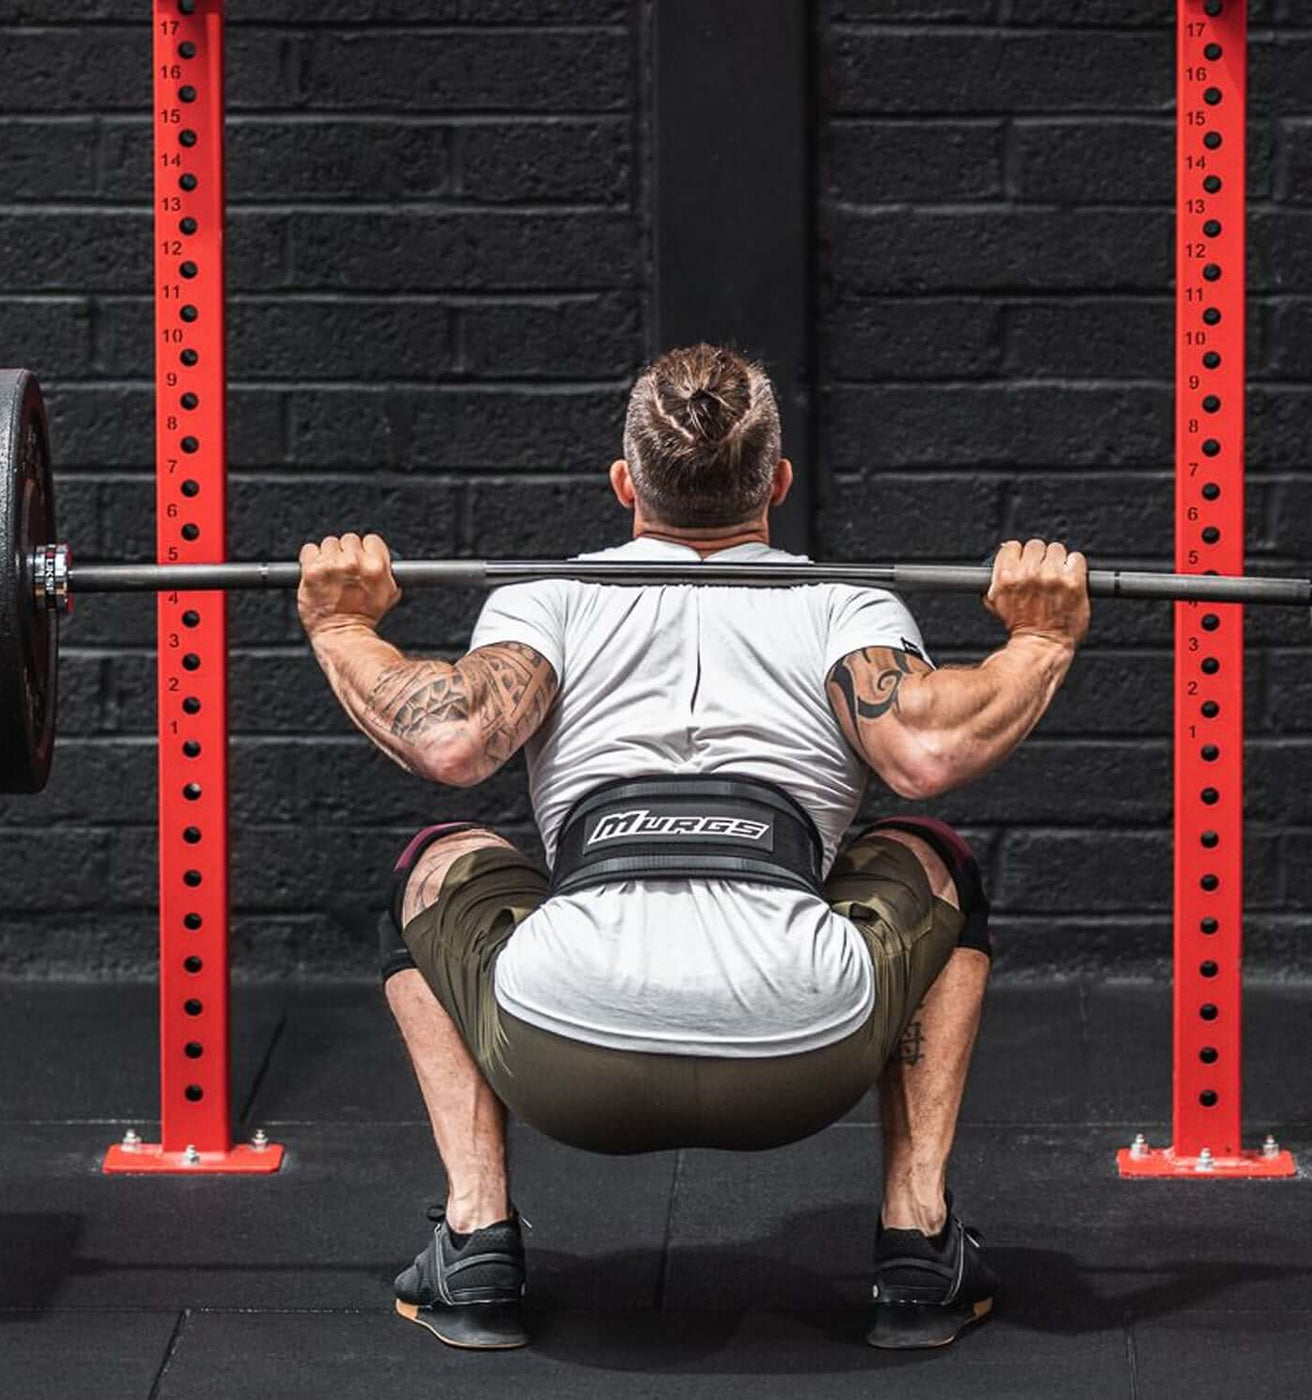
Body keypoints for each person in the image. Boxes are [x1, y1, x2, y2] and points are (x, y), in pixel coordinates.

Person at [297, 343, 1090, 1354]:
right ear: (776, 482)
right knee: (930, 858)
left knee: (434, 865)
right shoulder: (840, 602)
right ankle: (915, 1246)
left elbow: (450, 735)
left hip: (562, 1054)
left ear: (625, 482)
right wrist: (1039, 638)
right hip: (800, 1057)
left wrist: (339, 622)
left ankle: (476, 1239)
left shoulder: (548, 595)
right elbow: (926, 747)